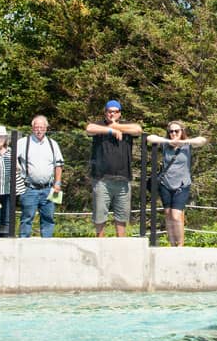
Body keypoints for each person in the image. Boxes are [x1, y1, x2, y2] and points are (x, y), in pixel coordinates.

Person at [147, 121, 208, 247]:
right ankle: (172, 244)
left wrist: (183, 142)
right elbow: (149, 138)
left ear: (182, 131)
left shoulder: (187, 145)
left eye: (176, 131)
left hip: (182, 184)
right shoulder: (165, 145)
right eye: (171, 131)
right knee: (168, 215)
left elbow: (202, 140)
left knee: (176, 215)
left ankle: (180, 245)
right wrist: (167, 141)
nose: (173, 133)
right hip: (165, 184)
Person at [86, 100, 142, 237]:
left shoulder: (126, 126)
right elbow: (89, 129)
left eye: (115, 111)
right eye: (109, 111)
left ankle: (120, 244)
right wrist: (110, 130)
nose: (112, 114)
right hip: (102, 179)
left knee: (122, 216)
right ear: (105, 112)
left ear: (120, 113)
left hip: (123, 179)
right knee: (99, 215)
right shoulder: (99, 125)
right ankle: (100, 243)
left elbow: (138, 129)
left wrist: (117, 127)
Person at [15, 115, 64, 239]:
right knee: (26, 218)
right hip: (29, 189)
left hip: (49, 188)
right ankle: (23, 244)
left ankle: (47, 245)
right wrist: (18, 168)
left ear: (46, 128)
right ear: (32, 128)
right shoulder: (22, 143)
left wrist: (57, 184)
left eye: (42, 127)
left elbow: (58, 165)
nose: (39, 130)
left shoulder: (53, 144)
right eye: (36, 127)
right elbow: (11, 157)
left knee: (48, 218)